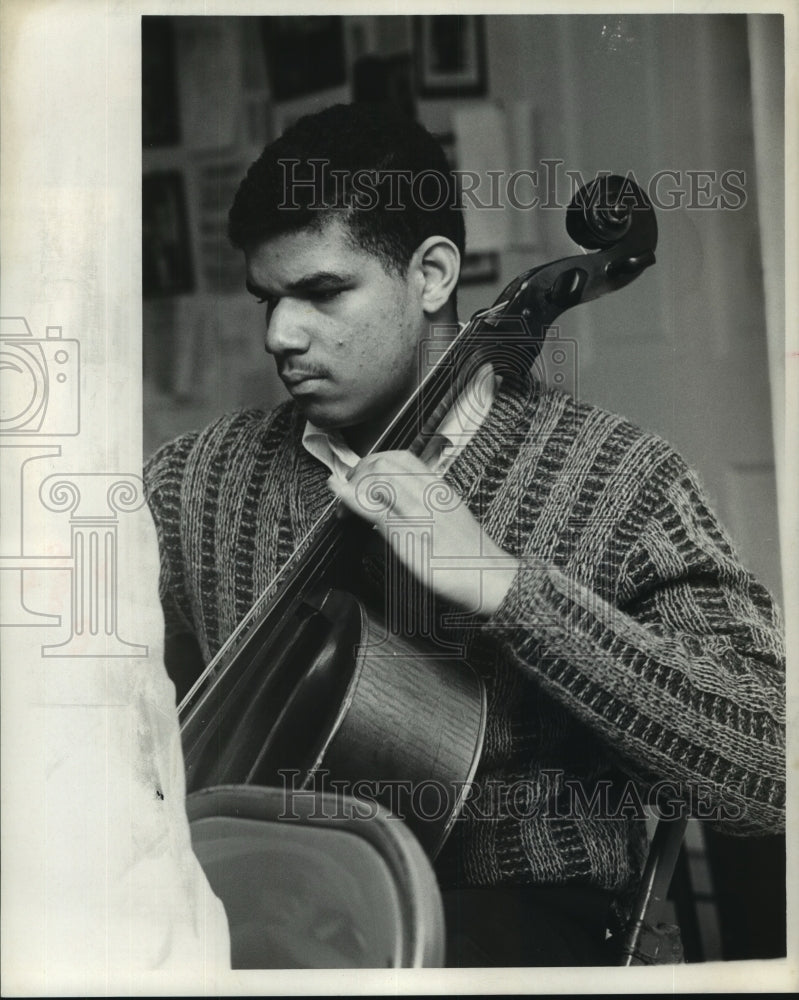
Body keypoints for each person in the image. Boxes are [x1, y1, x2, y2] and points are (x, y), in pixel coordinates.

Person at [144, 103, 785, 967]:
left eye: (323, 292)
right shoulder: (197, 480)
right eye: (267, 298)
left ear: (433, 274)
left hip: (529, 942)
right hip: (253, 925)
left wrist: (503, 587)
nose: (280, 336)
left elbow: (765, 773)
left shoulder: (622, 478)